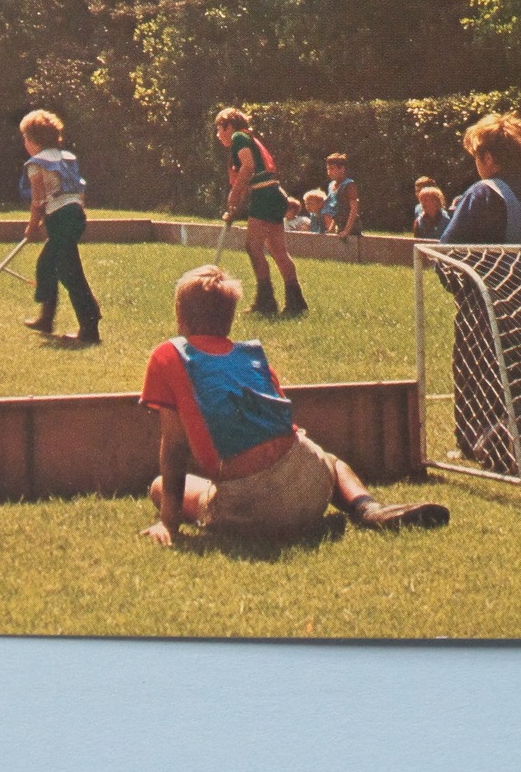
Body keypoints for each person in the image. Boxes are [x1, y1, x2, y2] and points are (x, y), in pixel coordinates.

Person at [140, 265, 449, 544]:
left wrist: (169, 522)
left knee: (158, 485)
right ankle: (368, 508)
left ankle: (203, 506)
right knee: (330, 460)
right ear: (229, 318)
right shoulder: (252, 357)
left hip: (252, 507)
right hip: (311, 481)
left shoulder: (169, 355)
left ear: (181, 315)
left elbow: (175, 446)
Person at [440, 112, 521, 473]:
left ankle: (473, 446)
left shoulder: (484, 193)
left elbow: (448, 254)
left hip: (488, 308)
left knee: (478, 377)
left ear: (490, 159)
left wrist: (460, 290)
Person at [20, 110, 102, 344]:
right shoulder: (66, 157)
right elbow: (78, 189)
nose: (25, 144)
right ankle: (47, 318)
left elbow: (38, 201)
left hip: (62, 217)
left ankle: (90, 327)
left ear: (34, 140)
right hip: (73, 214)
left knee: (68, 271)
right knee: (49, 263)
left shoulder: (36, 165)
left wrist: (32, 227)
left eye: (25, 138)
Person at [215, 107, 307, 315]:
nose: (218, 135)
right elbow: (253, 176)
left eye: (220, 129)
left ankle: (266, 303)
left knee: (253, 247)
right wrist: (237, 201)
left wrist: (234, 193)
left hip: (265, 196)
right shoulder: (250, 138)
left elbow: (248, 167)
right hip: (274, 193)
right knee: (278, 251)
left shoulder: (238, 137)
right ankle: (296, 303)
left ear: (229, 126)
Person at [321, 152, 360, 236]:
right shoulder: (331, 185)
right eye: (328, 169)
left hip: (351, 228)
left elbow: (354, 209)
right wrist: (331, 228)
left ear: (342, 169)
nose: (329, 172)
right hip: (340, 226)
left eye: (332, 169)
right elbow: (337, 209)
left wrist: (347, 231)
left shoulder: (349, 185)